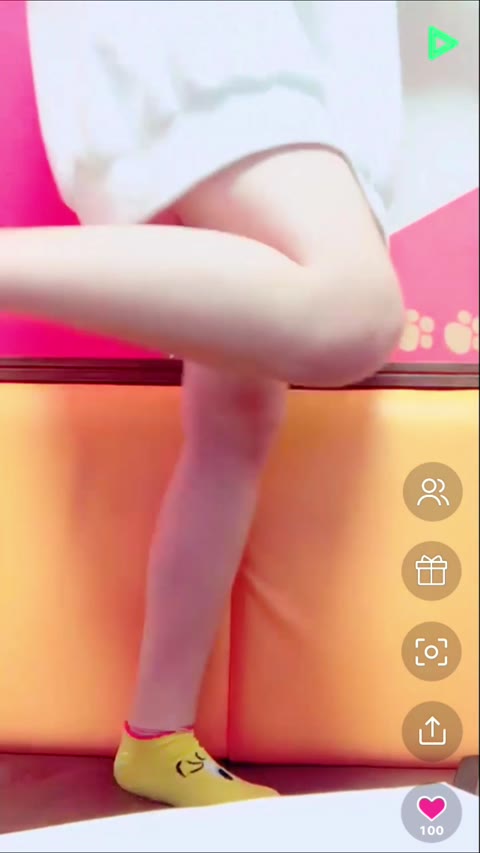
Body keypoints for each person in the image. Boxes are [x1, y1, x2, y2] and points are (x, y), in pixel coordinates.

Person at [2, 0, 404, 807]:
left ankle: (158, 737)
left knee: (236, 419)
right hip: (231, 37)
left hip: (274, 47)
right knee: (351, 310)